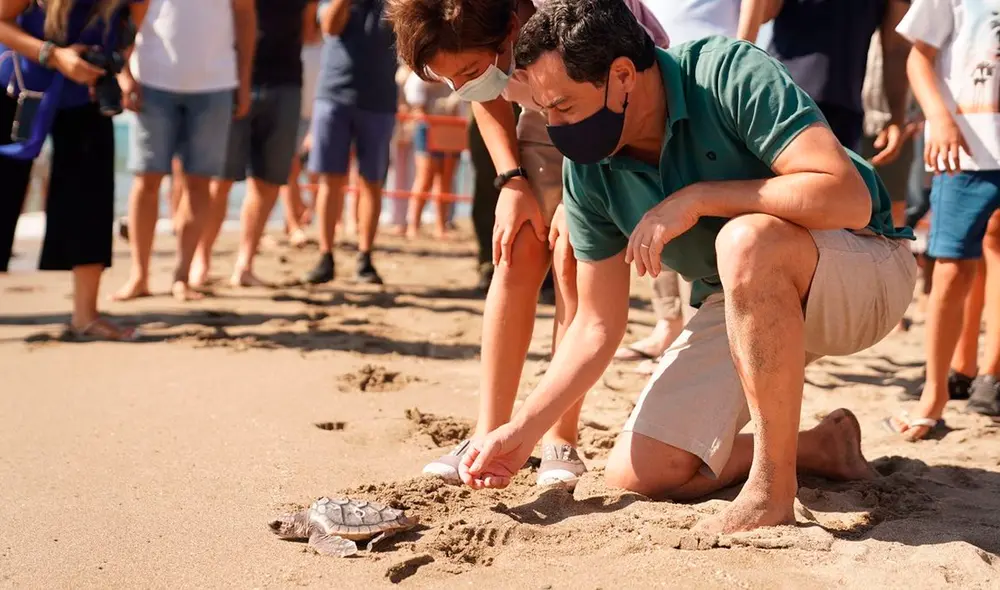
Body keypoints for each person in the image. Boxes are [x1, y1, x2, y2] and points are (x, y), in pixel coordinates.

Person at [460, 0, 917, 533]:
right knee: (642, 470)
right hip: (741, 302)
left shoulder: (726, 71)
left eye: (563, 106)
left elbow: (847, 199)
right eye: (544, 110)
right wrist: (521, 433)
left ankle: (773, 489)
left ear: (623, 75)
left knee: (745, 240)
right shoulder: (590, 168)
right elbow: (595, 325)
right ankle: (820, 447)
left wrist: (700, 197)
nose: (554, 127)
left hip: (865, 267)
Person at [386, 0, 669, 490]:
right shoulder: (472, 41)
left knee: (569, 256)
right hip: (541, 105)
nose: (460, 87)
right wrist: (511, 180)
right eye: (449, 80)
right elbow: (485, 92)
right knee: (515, 248)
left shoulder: (564, 11)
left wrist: (577, 200)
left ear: (509, 31)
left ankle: (563, 439)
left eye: (470, 71)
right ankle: (485, 432)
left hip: (609, 110)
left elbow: (615, 103)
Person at [614, 0, 753, 374]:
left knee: (709, 218)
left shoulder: (731, 68)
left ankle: (705, 331)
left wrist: (744, 50)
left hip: (708, 84)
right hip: (651, 75)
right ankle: (669, 325)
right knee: (654, 210)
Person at [885, 0, 1000, 439]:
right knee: (951, 267)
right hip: (965, 149)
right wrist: (938, 117)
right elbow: (919, 56)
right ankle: (935, 393)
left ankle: (989, 375)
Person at [0, 0, 146, 340]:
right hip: (20, 86)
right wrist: (54, 55)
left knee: (90, 197)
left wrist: (119, 68)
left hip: (87, 90)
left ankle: (85, 316)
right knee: (3, 191)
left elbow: (130, 28)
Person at [113, 0, 256, 302]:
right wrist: (124, 74)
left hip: (215, 83)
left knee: (199, 181)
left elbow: (245, 17)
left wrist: (243, 82)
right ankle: (139, 275)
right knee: (147, 178)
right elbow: (126, 18)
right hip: (153, 81)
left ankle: (183, 275)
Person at [191, 0, 319, 288]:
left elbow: (309, 32)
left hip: (286, 82)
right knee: (220, 180)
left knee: (268, 181)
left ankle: (244, 265)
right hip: (234, 80)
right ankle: (201, 261)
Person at [303, 0, 398, 286]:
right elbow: (329, 27)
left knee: (372, 182)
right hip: (334, 96)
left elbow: (405, 31)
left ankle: (365, 256)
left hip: (379, 100)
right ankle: (325, 255)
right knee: (331, 180)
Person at [743, 0, 911, 159]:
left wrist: (896, 117)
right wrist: (735, 69)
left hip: (843, 111)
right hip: (781, 99)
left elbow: (896, 47)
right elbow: (764, 12)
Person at [402, 69, 463, 239]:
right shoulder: (420, 75)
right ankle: (413, 225)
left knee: (446, 179)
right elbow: (417, 108)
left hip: (452, 129)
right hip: (428, 128)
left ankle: (440, 226)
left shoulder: (456, 69)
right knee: (425, 177)